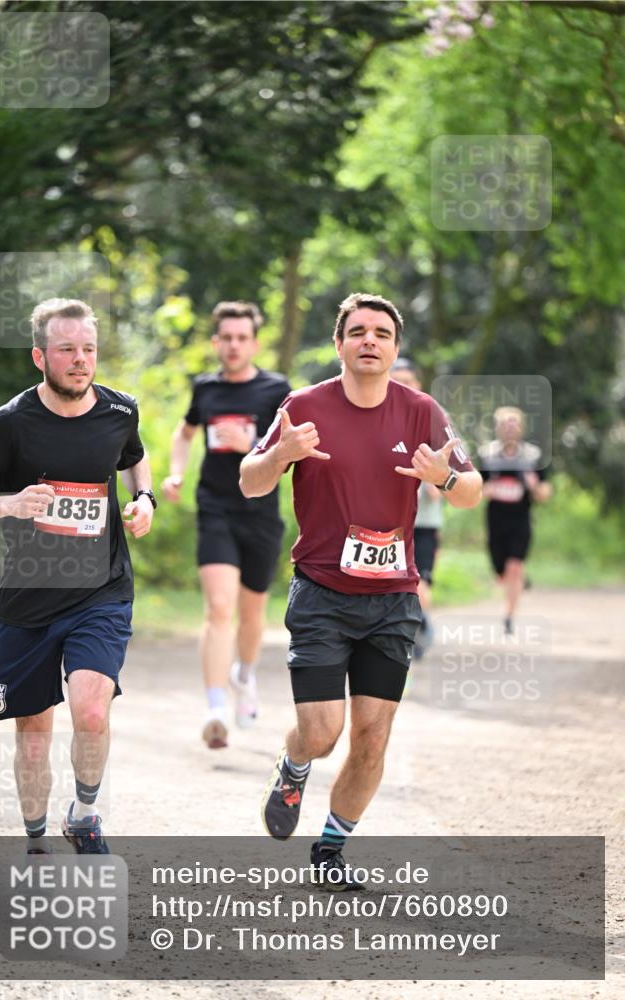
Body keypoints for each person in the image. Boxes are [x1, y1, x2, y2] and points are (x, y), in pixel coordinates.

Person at [240, 292, 482, 889]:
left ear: (395, 347)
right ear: (339, 343)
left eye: (381, 333)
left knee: (373, 735)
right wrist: (281, 457)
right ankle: (294, 766)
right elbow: (248, 481)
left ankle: (329, 851)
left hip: (393, 600)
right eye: (357, 331)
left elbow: (471, 487)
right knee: (323, 733)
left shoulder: (422, 410)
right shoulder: (302, 406)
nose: (369, 341)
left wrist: (445, 478)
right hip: (322, 592)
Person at [0, 298, 155, 854]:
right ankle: (37, 842)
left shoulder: (120, 411)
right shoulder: (10, 424)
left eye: (88, 349)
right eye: (67, 349)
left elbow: (134, 455)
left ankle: (86, 815)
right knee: (35, 735)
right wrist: (9, 504)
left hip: (102, 590)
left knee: (92, 710)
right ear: (39, 356)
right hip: (27, 601)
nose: (80, 360)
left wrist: (144, 499)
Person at [162, 301, 290, 749]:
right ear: (216, 343)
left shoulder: (277, 389)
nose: (234, 346)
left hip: (260, 513)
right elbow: (185, 432)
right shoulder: (206, 388)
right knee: (219, 608)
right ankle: (215, 708)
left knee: (252, 616)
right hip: (215, 507)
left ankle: (245, 675)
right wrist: (176, 472)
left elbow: (288, 448)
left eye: (242, 338)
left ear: (254, 343)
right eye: (227, 338)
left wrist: (252, 442)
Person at [478, 406, 552, 635]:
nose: (509, 429)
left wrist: (535, 486)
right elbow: (473, 489)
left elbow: (545, 493)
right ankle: (514, 582)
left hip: (521, 521)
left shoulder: (533, 456)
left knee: (515, 566)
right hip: (495, 521)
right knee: (501, 571)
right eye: (504, 424)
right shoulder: (486, 455)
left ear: (521, 428)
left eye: (514, 424)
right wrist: (486, 489)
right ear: (498, 429)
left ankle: (509, 616)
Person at [390, 359, 443, 658]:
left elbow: (457, 481)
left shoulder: (432, 421)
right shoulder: (376, 419)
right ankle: (407, 626)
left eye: (407, 381)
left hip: (424, 522)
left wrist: (438, 482)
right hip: (389, 523)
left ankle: (420, 624)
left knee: (420, 584)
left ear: (418, 385)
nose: (401, 387)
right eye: (395, 380)